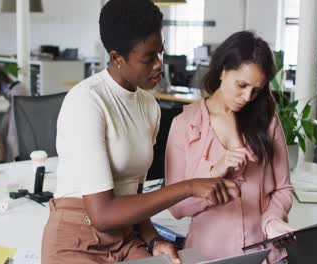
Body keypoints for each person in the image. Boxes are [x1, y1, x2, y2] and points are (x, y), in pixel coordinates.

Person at [41, 1, 242, 263]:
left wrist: (153, 239)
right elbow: (102, 215)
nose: (159, 64)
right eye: (148, 58)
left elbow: (133, 198)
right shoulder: (87, 101)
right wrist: (190, 187)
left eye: (160, 52)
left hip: (124, 238)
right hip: (77, 239)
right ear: (116, 58)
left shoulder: (149, 106)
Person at [165, 31, 293, 264]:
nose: (247, 97)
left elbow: (283, 188)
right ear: (223, 70)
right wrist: (213, 172)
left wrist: (273, 219)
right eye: (242, 85)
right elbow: (175, 207)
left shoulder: (267, 119)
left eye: (256, 90)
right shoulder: (184, 125)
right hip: (207, 255)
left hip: (264, 253)